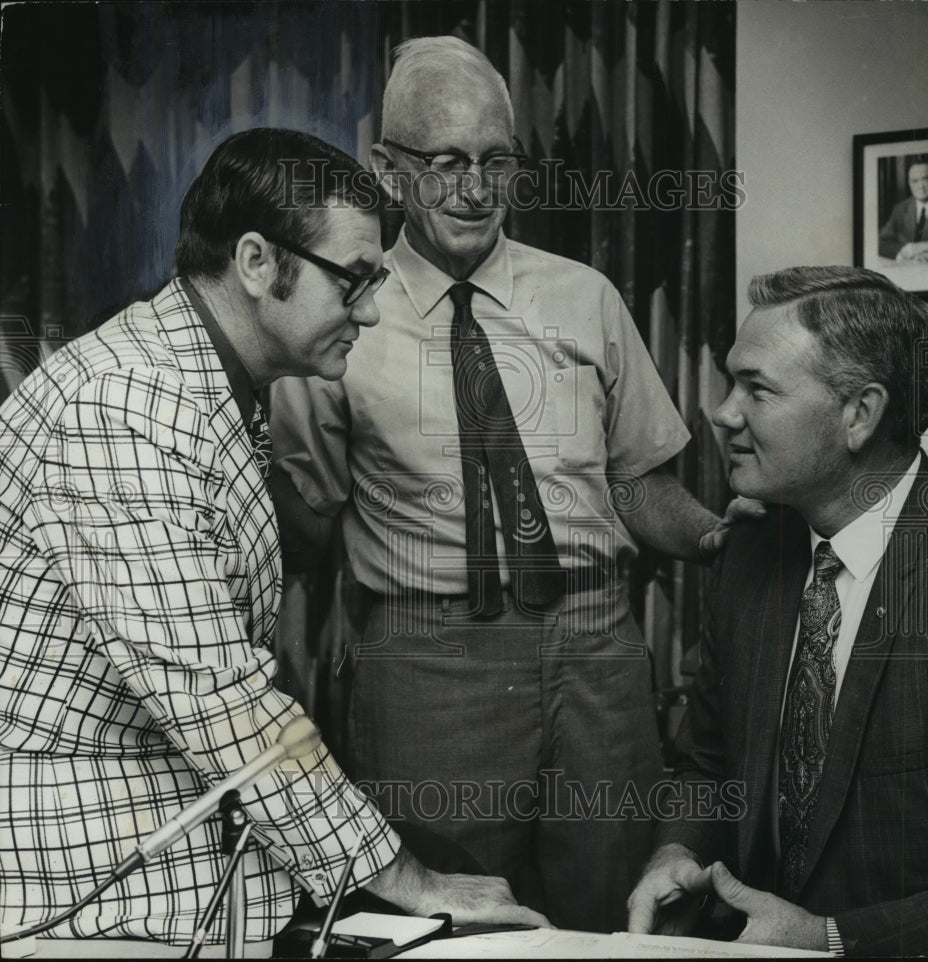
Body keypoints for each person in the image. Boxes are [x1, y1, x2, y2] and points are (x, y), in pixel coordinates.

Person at [0, 127, 548, 953]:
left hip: (154, 875)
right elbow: (222, 702)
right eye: (354, 282)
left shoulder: (194, 378)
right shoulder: (124, 404)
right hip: (83, 895)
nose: (370, 310)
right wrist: (409, 881)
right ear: (257, 262)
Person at [268, 37, 758, 933]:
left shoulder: (586, 297)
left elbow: (636, 485)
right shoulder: (339, 320)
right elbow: (307, 523)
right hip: (427, 661)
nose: (475, 186)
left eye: (497, 160)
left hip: (596, 649)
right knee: (449, 917)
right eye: (446, 160)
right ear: (389, 167)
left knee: (621, 911)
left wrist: (717, 537)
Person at [626, 265, 928, 956]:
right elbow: (707, 764)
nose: (722, 411)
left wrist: (830, 938)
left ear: (859, 413)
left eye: (757, 389)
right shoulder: (748, 553)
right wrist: (674, 854)